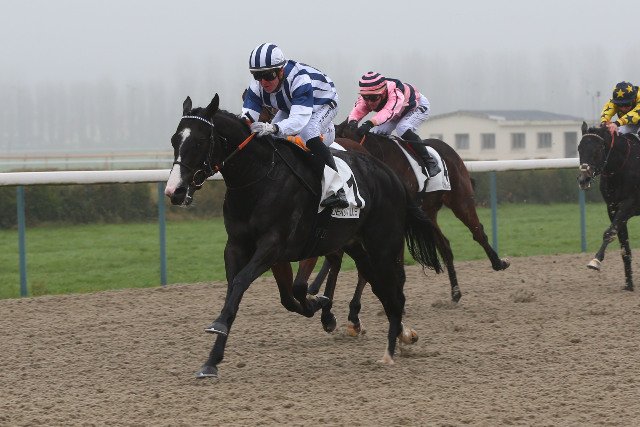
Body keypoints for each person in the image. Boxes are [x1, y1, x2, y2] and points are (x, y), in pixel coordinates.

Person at [242, 42, 348, 209]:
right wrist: (246, 125)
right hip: (292, 103)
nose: (263, 82)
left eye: (268, 75)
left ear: (281, 71)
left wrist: (274, 127)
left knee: (308, 133)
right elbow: (247, 117)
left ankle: (337, 190)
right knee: (272, 138)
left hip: (324, 102)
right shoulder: (257, 86)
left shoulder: (299, 79)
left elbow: (299, 120)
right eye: (257, 76)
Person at [347, 71, 441, 177]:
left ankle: (429, 162)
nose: (369, 102)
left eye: (373, 98)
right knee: (377, 134)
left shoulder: (395, 93)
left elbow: (388, 111)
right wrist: (352, 121)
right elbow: (358, 109)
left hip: (416, 107)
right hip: (396, 112)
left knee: (402, 128)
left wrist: (369, 123)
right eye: (366, 98)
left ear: (383, 93)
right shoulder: (369, 95)